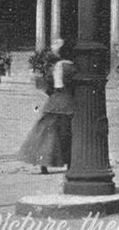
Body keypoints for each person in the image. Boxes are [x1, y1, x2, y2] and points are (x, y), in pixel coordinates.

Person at [18, 39, 76, 174]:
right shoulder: (73, 68)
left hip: (53, 102)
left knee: (48, 135)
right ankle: (69, 163)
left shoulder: (55, 67)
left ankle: (44, 163)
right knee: (67, 135)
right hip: (68, 103)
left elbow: (48, 86)